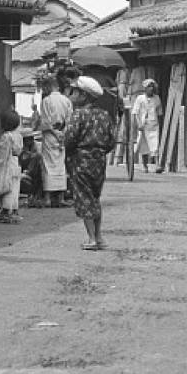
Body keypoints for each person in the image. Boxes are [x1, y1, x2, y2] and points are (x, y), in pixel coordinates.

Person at [65, 76, 117, 251]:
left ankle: (91, 238)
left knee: (84, 198)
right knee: (95, 198)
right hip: (99, 161)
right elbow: (111, 141)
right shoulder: (104, 115)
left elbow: (69, 139)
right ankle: (99, 236)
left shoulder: (78, 115)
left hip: (80, 160)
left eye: (75, 92)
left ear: (83, 95)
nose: (72, 95)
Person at [37, 73, 73, 208]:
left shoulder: (46, 101)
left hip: (50, 136)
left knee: (48, 165)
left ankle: (47, 198)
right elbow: (69, 120)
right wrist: (63, 134)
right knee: (60, 166)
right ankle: (61, 197)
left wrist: (54, 132)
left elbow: (46, 122)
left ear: (48, 87)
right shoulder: (66, 100)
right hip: (62, 135)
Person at [0, 109, 24, 223]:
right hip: (16, 162)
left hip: (7, 164)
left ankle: (6, 212)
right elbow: (18, 151)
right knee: (15, 188)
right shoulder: (18, 136)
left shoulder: (6, 136)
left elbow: (3, 151)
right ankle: (14, 211)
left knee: (7, 188)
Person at [132, 79, 163, 172]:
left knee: (155, 144)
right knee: (143, 146)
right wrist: (139, 124)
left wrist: (159, 124)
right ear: (145, 88)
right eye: (149, 86)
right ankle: (145, 166)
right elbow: (135, 112)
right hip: (143, 125)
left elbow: (159, 112)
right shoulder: (140, 98)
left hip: (153, 124)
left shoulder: (157, 98)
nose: (151, 88)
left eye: (152, 86)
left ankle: (157, 165)